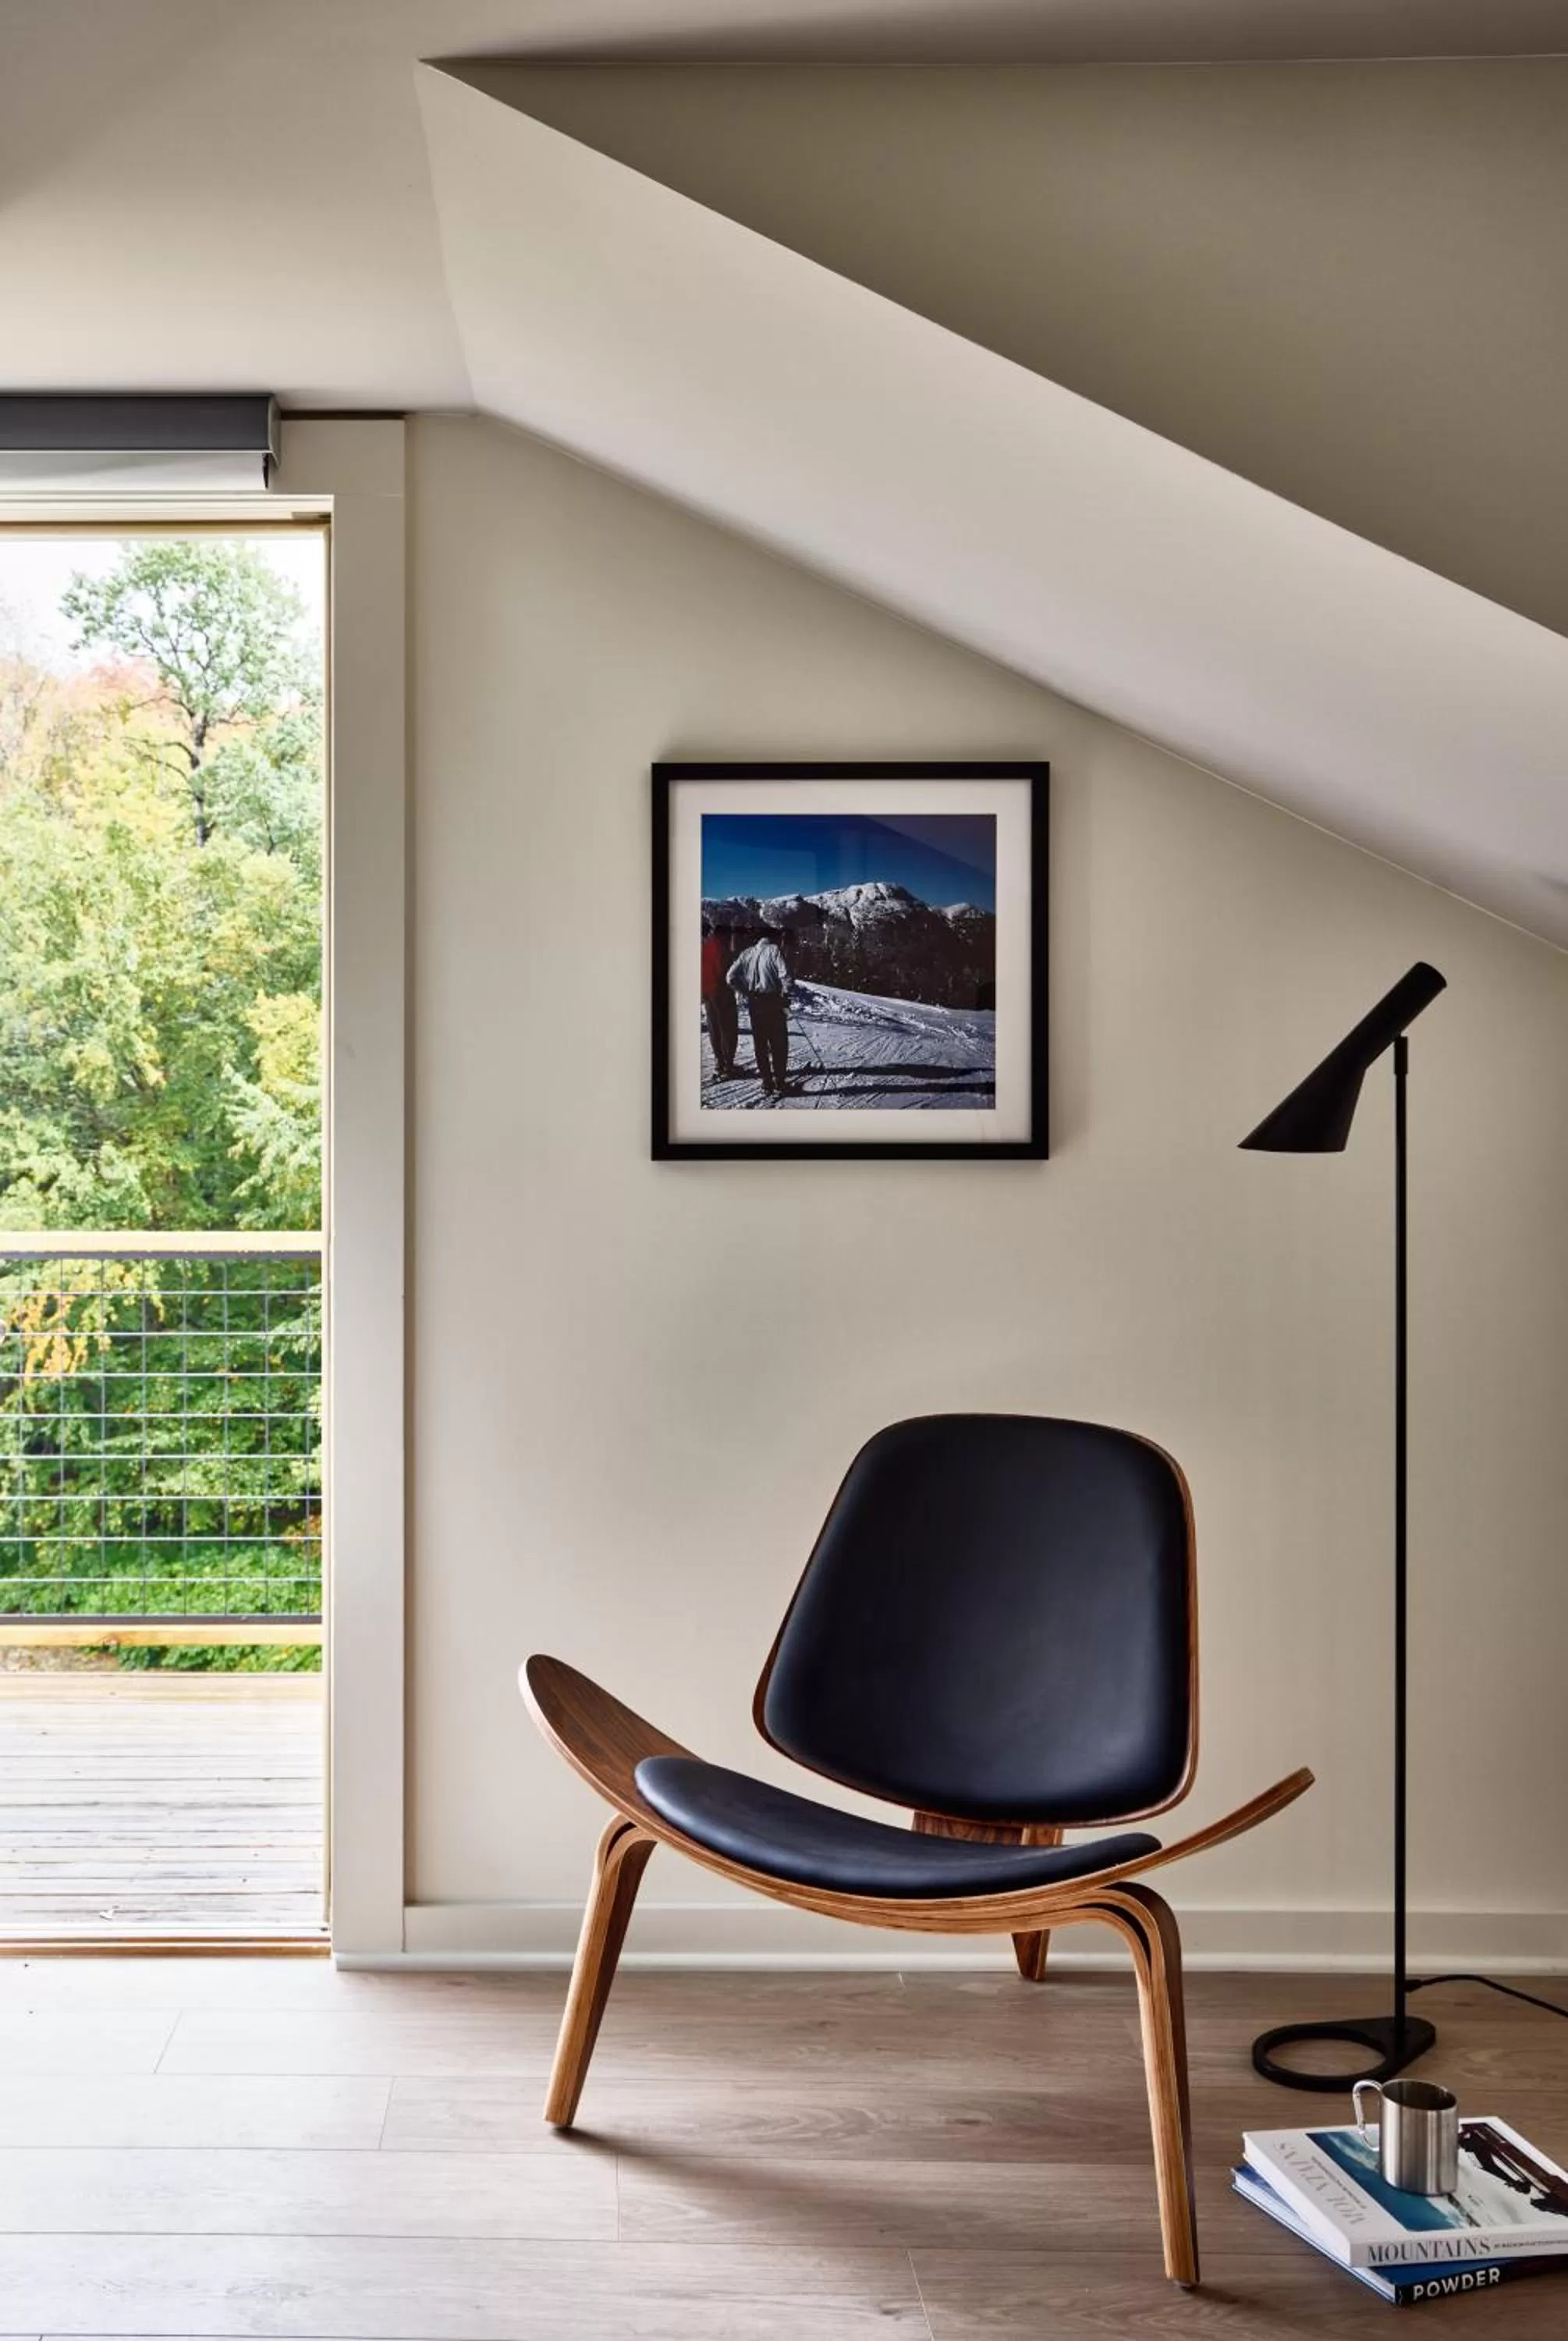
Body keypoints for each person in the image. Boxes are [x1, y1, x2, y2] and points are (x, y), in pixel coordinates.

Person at [728, 922, 793, 1096]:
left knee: (760, 1044)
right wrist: (785, 996)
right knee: (779, 1043)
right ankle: (780, 1082)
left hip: (755, 1003)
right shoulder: (774, 950)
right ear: (773, 937)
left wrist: (745, 992)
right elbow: (786, 975)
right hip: (773, 1001)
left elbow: (730, 977)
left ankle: (766, 1082)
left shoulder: (747, 953)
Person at [700, 920, 738, 1080]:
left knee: (714, 1028)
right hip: (721, 993)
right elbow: (726, 973)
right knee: (728, 1029)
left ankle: (720, 1062)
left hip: (707, 992)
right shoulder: (722, 948)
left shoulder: (705, 946)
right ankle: (728, 1066)